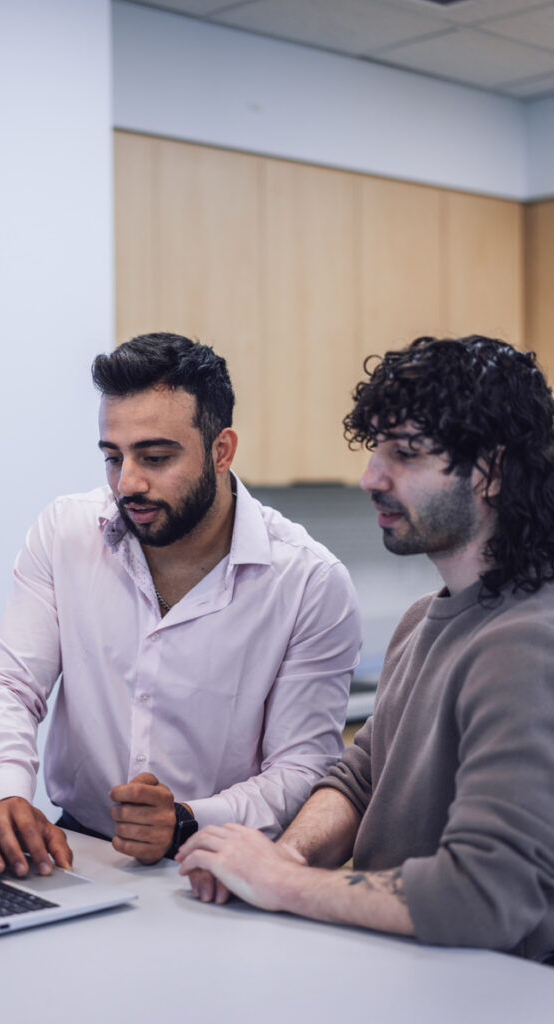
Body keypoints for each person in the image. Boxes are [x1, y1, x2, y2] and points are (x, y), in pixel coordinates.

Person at [177, 335, 554, 962]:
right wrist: (281, 856)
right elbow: (359, 780)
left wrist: (284, 883)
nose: (371, 476)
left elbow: (482, 897)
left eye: (404, 453)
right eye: (376, 449)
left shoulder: (526, 643)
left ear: (490, 470)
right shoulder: (422, 621)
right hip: (403, 966)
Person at [0, 332, 361, 878]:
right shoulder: (65, 532)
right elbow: (9, 685)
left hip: (217, 867)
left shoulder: (310, 583)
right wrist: (4, 794)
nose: (128, 483)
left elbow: (302, 768)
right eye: (112, 457)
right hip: (79, 853)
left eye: (154, 456)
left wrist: (187, 819)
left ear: (221, 451)